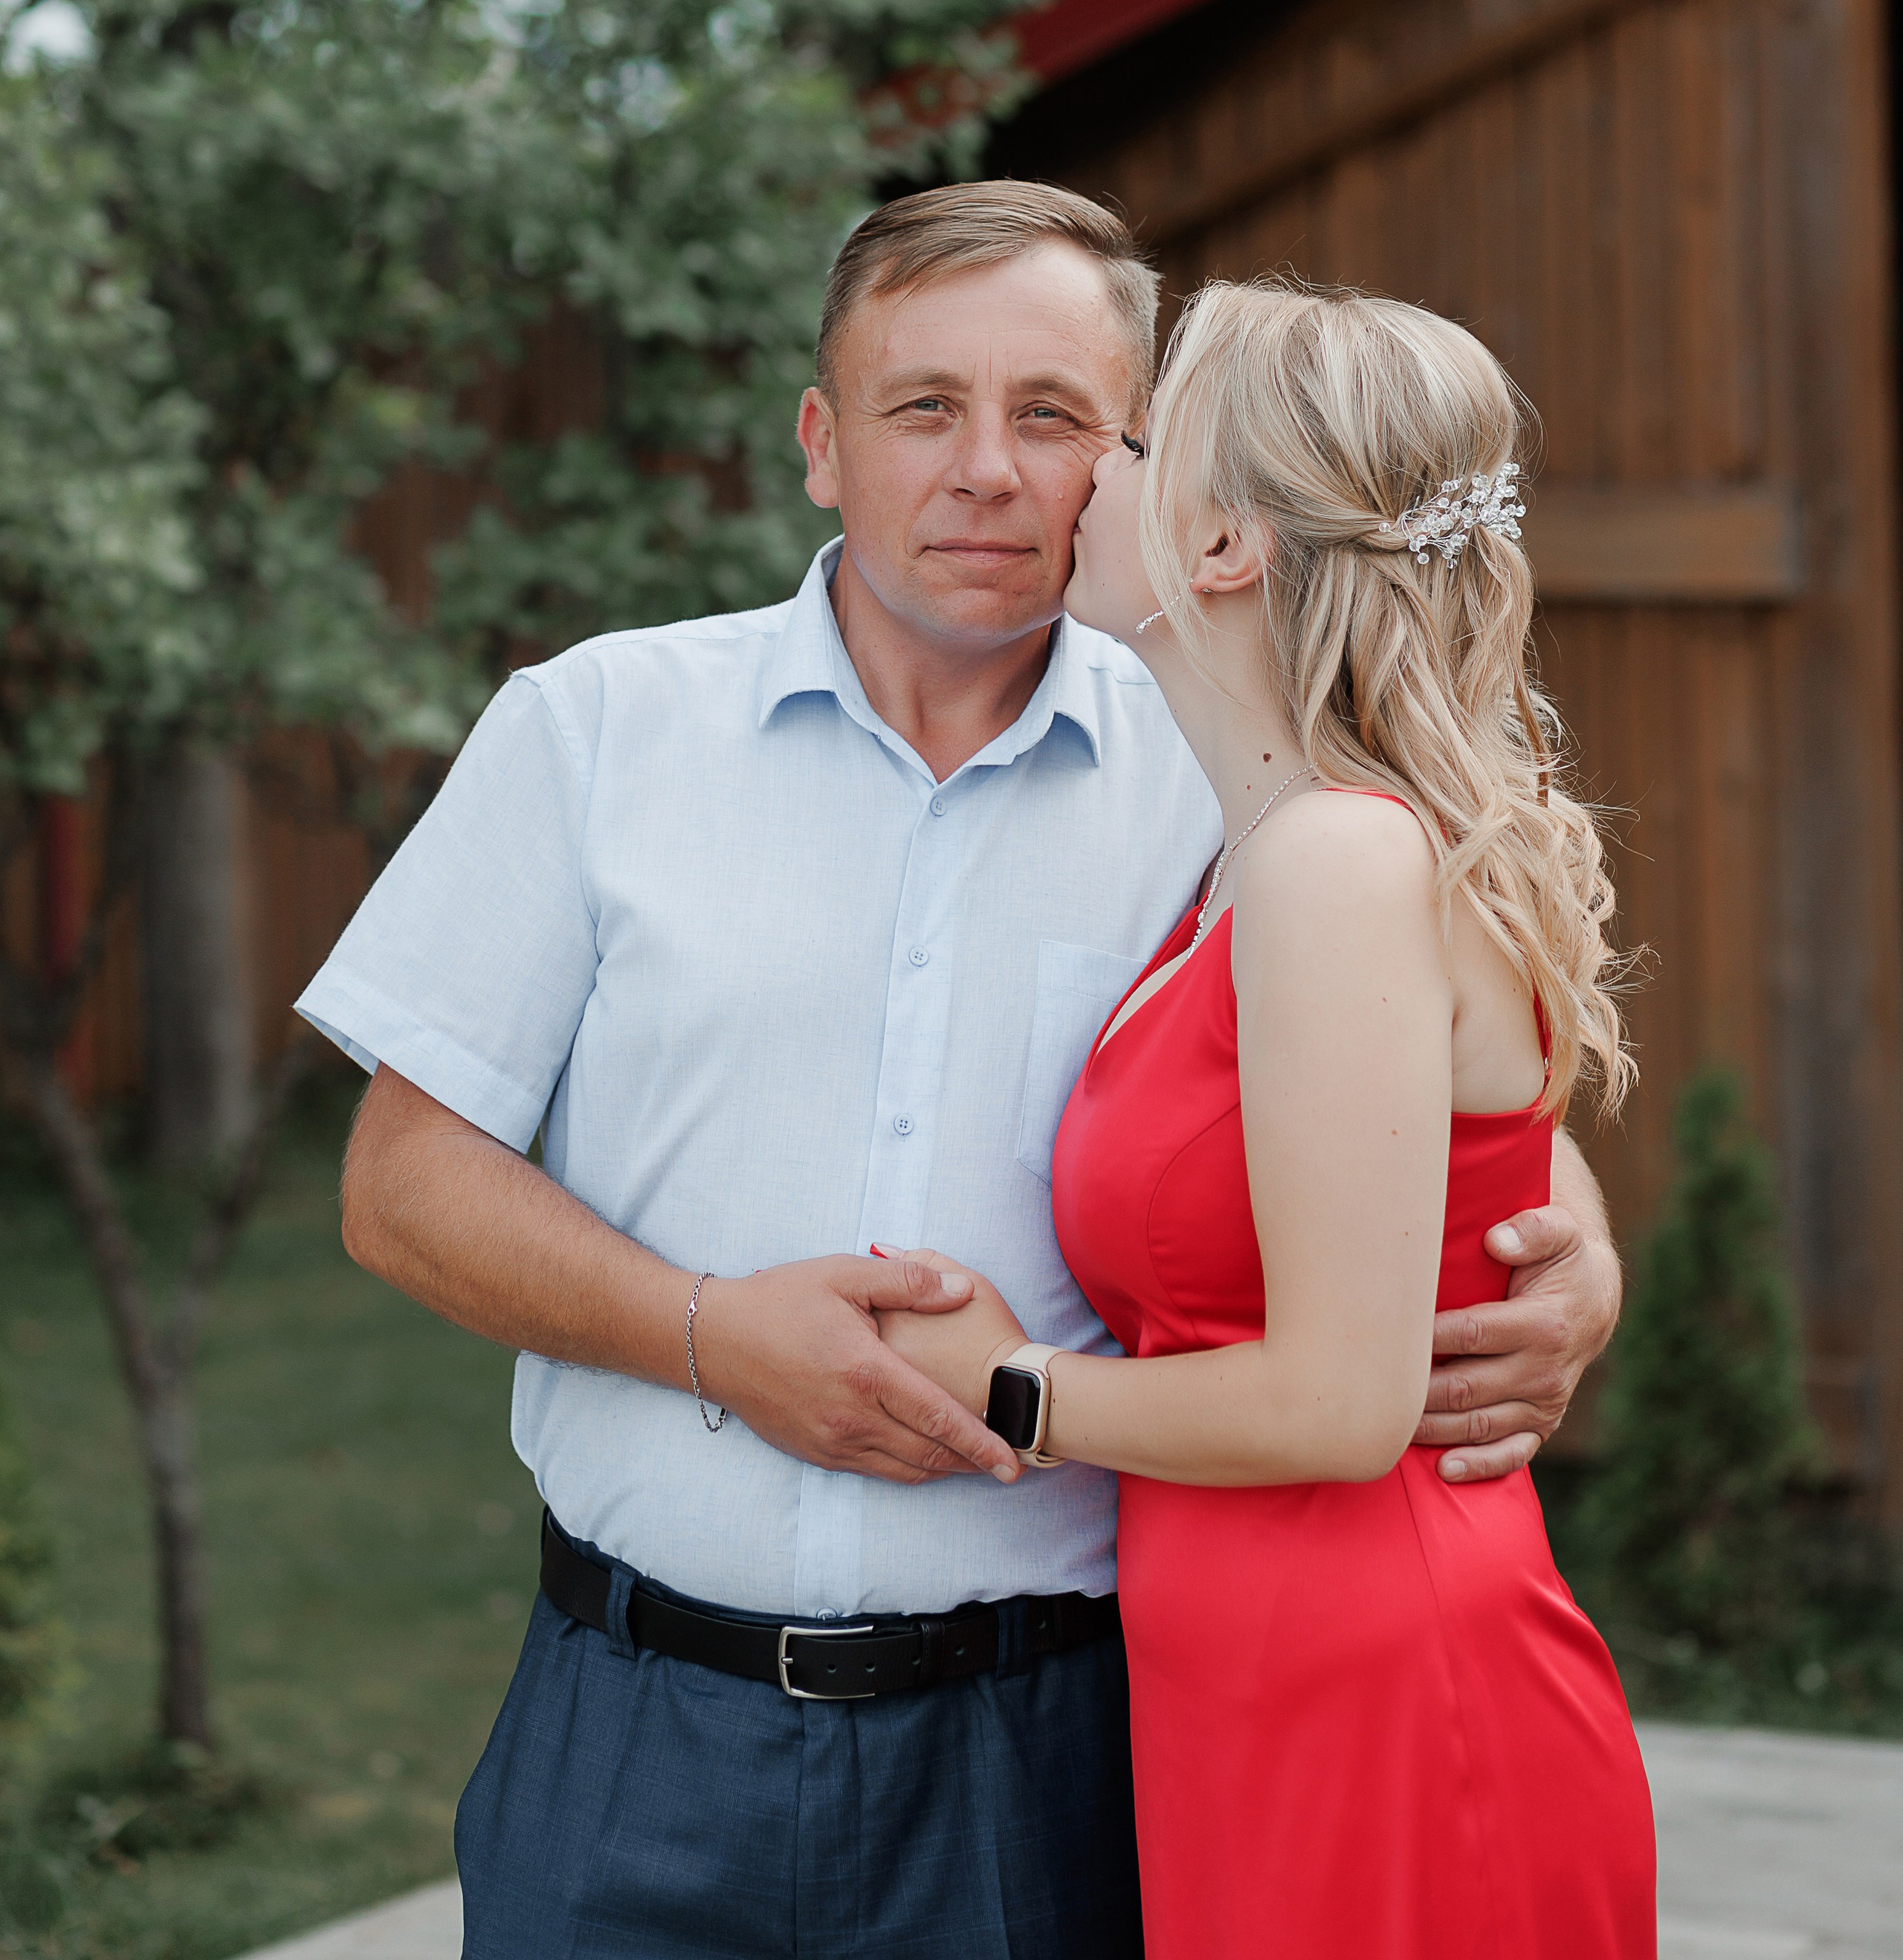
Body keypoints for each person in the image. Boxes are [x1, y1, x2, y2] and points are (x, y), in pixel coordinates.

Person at [302, 184, 1626, 1960]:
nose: (989, 468)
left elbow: (1435, 1083)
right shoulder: (598, 729)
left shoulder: (1232, 783)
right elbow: (396, 1190)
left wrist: (1573, 1256)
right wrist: (708, 1333)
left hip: (1061, 1748)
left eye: (1061, 417)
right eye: (924, 407)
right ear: (819, 443)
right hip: (633, 1723)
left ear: (1136, 471)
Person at [882, 277, 1656, 1959]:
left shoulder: (1329, 859)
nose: (1082, 475)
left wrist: (1004, 1388)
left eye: (1133, 439)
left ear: (1222, 546)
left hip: (1380, 1672)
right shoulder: (1261, 854)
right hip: (1251, 1667)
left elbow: (1334, 1403)